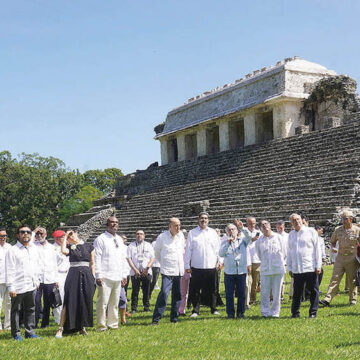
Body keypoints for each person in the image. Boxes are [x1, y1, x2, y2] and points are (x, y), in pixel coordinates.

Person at [55, 230, 95, 338]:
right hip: (73, 275)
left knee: (84, 300)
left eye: (72, 234)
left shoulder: (89, 246)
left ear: (77, 233)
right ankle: (60, 328)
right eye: (69, 236)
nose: (71, 236)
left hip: (86, 275)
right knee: (69, 300)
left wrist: (93, 277)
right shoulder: (69, 247)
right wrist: (65, 238)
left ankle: (82, 327)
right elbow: (63, 251)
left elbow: (92, 263)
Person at [6, 224, 42, 340]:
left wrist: (37, 280)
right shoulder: (13, 250)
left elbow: (36, 266)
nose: (25, 234)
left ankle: (30, 332)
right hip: (18, 286)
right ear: (18, 235)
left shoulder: (33, 249)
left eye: (28, 232)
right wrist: (11, 287)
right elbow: (10, 269)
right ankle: (16, 334)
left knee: (30, 309)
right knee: (16, 310)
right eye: (22, 232)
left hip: (31, 285)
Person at [184, 212, 222, 318]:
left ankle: (213, 308)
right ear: (198, 220)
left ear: (208, 220)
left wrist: (220, 261)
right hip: (197, 266)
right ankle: (195, 310)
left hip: (211, 265)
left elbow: (218, 248)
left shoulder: (213, 233)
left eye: (205, 218)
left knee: (213, 289)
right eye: (201, 218)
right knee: (195, 290)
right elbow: (188, 250)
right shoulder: (192, 233)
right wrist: (187, 265)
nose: (203, 220)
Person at [320, 210, 360, 306]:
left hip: (352, 258)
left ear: (351, 219)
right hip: (340, 258)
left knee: (352, 279)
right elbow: (333, 241)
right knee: (335, 277)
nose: (343, 220)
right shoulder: (338, 229)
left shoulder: (357, 230)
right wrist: (333, 247)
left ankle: (352, 299)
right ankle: (327, 298)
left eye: (345, 218)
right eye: (342, 218)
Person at [94, 216, 128, 331]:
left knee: (114, 303)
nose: (114, 224)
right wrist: (98, 275)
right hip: (105, 276)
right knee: (102, 303)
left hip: (117, 276)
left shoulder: (119, 239)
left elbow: (123, 258)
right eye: (112, 222)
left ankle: (113, 324)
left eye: (116, 222)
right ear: (107, 224)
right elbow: (97, 258)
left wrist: (124, 274)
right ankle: (101, 325)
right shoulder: (101, 239)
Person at [287, 214, 322, 318]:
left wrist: (318, 265)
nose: (296, 221)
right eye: (294, 220)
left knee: (313, 291)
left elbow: (317, 250)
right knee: (297, 292)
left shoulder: (311, 231)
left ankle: (313, 313)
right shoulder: (291, 235)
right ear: (291, 223)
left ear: (301, 220)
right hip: (297, 269)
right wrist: (290, 267)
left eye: (298, 219)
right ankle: (295, 313)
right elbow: (289, 252)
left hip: (310, 267)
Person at [152, 217, 185, 325]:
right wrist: (164, 263)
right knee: (164, 293)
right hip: (167, 270)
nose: (178, 227)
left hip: (178, 270)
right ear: (170, 226)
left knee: (177, 294)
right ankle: (156, 318)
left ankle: (174, 317)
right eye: (176, 225)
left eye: (179, 225)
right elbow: (157, 253)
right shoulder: (162, 237)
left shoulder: (181, 236)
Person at [219, 221, 251, 319]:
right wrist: (228, 244)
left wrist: (242, 228)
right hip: (229, 272)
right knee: (229, 294)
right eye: (229, 230)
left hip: (241, 271)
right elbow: (221, 254)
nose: (231, 231)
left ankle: (241, 313)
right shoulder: (224, 242)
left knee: (241, 294)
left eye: (233, 229)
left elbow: (249, 237)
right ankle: (230, 313)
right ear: (226, 232)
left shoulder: (243, 241)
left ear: (237, 231)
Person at [256, 220, 286, 318]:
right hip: (265, 270)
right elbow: (259, 255)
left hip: (278, 269)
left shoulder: (278, 238)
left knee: (277, 293)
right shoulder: (259, 240)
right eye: (262, 225)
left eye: (266, 224)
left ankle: (275, 312)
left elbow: (284, 252)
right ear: (260, 228)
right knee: (264, 292)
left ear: (270, 225)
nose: (264, 226)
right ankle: (265, 312)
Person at [34, 226, 59, 328]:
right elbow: (30, 239)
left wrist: (56, 279)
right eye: (37, 234)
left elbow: (55, 264)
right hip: (37, 279)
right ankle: (34, 323)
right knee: (36, 301)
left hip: (50, 278)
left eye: (41, 234)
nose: (39, 236)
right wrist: (34, 231)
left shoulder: (52, 247)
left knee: (48, 302)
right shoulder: (33, 246)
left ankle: (45, 323)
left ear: (46, 235)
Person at [127, 230, 154, 313]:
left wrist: (147, 268)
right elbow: (129, 258)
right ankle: (134, 308)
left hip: (147, 272)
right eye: (137, 234)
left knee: (146, 290)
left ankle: (146, 307)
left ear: (144, 236)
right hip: (135, 272)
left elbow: (152, 258)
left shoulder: (148, 245)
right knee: (135, 291)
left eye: (141, 234)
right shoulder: (131, 246)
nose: (139, 235)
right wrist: (135, 269)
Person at [52, 230, 70, 325]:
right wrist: (55, 278)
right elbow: (52, 264)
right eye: (61, 237)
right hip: (58, 274)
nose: (62, 239)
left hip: (67, 273)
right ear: (56, 238)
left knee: (67, 296)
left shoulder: (67, 246)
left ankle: (66, 317)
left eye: (63, 237)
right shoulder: (53, 248)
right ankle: (58, 319)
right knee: (59, 298)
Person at [243, 217, 262, 305]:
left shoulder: (259, 233)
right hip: (246, 261)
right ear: (247, 223)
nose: (252, 225)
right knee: (247, 282)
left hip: (256, 260)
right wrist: (251, 240)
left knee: (255, 282)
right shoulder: (243, 233)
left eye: (254, 223)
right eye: (250, 223)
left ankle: (252, 300)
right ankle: (246, 299)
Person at [0, 228, 11, 331]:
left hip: (9, 280)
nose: (3, 238)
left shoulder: (10, 247)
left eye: (4, 236)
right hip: (0, 280)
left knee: (9, 304)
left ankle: (8, 325)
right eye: (1, 236)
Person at [276, 220, 289, 301]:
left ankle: (281, 295)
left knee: (282, 280)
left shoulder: (287, 236)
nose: (279, 229)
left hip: (285, 259)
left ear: (283, 227)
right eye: (278, 228)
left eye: (281, 228)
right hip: (276, 260)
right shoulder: (274, 236)